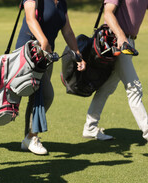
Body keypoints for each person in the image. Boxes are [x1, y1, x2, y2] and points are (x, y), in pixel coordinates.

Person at [82, 0, 148, 150]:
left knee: (107, 87)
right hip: (115, 41)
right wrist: (121, 36)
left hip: (129, 43)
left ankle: (90, 126)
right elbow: (108, 12)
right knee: (134, 88)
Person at [16, 0, 86, 155]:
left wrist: (78, 54)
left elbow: (67, 31)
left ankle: (28, 138)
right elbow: (30, 19)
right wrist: (44, 41)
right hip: (29, 54)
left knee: (36, 96)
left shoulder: (61, 3)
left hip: (46, 56)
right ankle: (30, 136)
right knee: (47, 95)